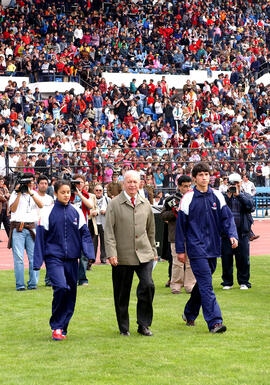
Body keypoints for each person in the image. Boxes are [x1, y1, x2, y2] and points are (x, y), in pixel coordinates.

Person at [175, 162, 238, 333]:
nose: (204, 177)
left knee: (203, 284)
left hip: (213, 247)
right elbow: (181, 226)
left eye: (206, 174)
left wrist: (232, 234)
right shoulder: (188, 198)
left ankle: (189, 313)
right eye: (200, 175)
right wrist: (180, 250)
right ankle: (215, 322)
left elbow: (227, 219)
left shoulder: (217, 196)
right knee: (207, 285)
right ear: (194, 178)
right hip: (196, 249)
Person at [33, 179, 95, 341]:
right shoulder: (47, 212)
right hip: (54, 258)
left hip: (72, 260)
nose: (66, 195)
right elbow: (40, 237)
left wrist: (90, 254)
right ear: (55, 193)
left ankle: (63, 327)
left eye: (68, 192)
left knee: (71, 293)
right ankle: (57, 326)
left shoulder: (77, 212)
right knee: (60, 287)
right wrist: (37, 262)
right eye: (63, 192)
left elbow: (85, 235)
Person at [104, 170, 157, 336]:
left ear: (140, 183)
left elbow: (151, 231)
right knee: (122, 293)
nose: (132, 185)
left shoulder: (145, 203)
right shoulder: (114, 204)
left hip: (144, 254)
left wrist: (153, 251)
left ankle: (143, 324)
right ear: (123, 184)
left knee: (148, 285)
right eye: (129, 182)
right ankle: (123, 327)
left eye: (135, 182)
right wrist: (111, 253)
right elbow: (109, 231)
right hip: (122, 255)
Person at [160, 175, 196, 294]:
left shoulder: (194, 198)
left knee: (190, 262)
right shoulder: (171, 200)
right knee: (177, 262)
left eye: (189, 186)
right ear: (179, 187)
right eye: (185, 186)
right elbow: (162, 215)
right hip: (175, 235)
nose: (188, 188)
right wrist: (174, 212)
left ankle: (190, 285)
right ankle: (175, 285)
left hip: (191, 235)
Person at [8, 173, 43, 291]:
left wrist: (31, 192)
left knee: (33, 257)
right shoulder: (14, 194)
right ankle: (20, 285)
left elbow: (41, 205)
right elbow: (12, 209)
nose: (30, 183)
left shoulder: (34, 194)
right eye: (28, 182)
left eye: (32, 181)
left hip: (31, 227)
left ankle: (33, 284)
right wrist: (18, 193)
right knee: (19, 258)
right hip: (18, 227)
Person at [221, 173, 255, 290]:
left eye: (237, 183)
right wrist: (229, 196)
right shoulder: (224, 196)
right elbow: (220, 210)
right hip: (226, 233)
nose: (235, 185)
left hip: (242, 232)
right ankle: (227, 282)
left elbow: (251, 207)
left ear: (240, 183)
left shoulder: (246, 195)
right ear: (228, 184)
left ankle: (244, 282)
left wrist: (238, 195)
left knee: (243, 259)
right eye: (232, 183)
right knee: (226, 258)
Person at [70, 174, 93, 286]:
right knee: (71, 254)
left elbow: (90, 206)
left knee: (84, 255)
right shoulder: (68, 193)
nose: (79, 184)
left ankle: (82, 278)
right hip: (70, 227)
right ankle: (71, 277)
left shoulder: (85, 194)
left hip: (83, 227)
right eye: (77, 182)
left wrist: (79, 194)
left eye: (81, 182)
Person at [36, 174, 54, 286]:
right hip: (35, 227)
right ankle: (34, 280)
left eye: (46, 183)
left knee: (50, 254)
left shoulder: (50, 198)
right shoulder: (32, 196)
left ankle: (49, 279)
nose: (44, 185)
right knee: (36, 254)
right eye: (41, 183)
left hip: (47, 228)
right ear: (37, 184)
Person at [92, 184, 110, 263]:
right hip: (94, 223)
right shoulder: (90, 199)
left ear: (102, 191)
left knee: (104, 242)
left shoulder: (107, 199)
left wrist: (106, 212)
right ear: (94, 191)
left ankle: (103, 259)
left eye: (100, 190)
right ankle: (92, 259)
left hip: (104, 223)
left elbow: (112, 211)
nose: (98, 192)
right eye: (97, 190)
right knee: (93, 242)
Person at [0, 176, 10, 241]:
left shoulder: (5, 188)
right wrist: (5, 197)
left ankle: (11, 238)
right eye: (0, 181)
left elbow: (9, 195)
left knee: (8, 225)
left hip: (5, 209)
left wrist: (6, 196)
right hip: (0, 210)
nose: (2, 182)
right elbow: (1, 198)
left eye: (2, 181)